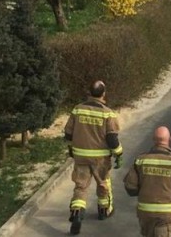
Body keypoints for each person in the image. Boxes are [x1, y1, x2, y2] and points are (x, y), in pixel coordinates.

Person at [64, 80, 123, 235]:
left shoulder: (77, 110)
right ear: (104, 94)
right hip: (100, 158)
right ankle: (104, 211)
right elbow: (112, 139)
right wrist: (118, 153)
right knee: (103, 184)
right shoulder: (108, 113)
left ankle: (77, 212)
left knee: (81, 186)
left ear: (89, 93)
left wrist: (72, 148)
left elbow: (68, 134)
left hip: (81, 156)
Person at [124, 126, 171, 237]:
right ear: (169, 139)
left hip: (145, 212)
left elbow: (130, 187)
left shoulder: (140, 160)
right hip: (166, 214)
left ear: (153, 139)